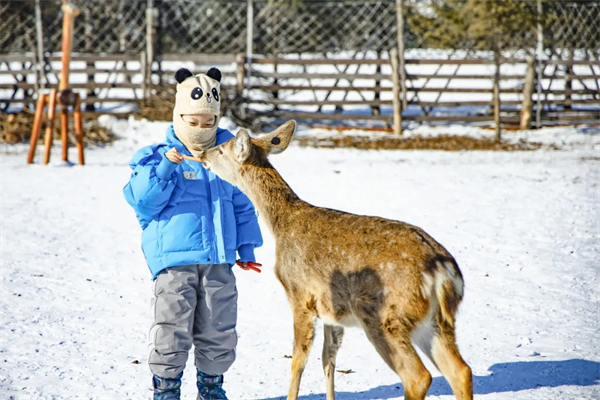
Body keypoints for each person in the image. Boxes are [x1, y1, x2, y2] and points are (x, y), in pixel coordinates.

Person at [123, 67, 263, 400]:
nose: (200, 129)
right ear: (178, 116)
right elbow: (144, 202)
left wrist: (246, 247)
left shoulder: (228, 159)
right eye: (192, 121)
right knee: (172, 326)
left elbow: (244, 203)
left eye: (209, 123)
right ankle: (167, 389)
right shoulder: (156, 156)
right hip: (174, 263)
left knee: (219, 327)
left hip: (218, 260)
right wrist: (166, 167)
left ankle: (211, 388)